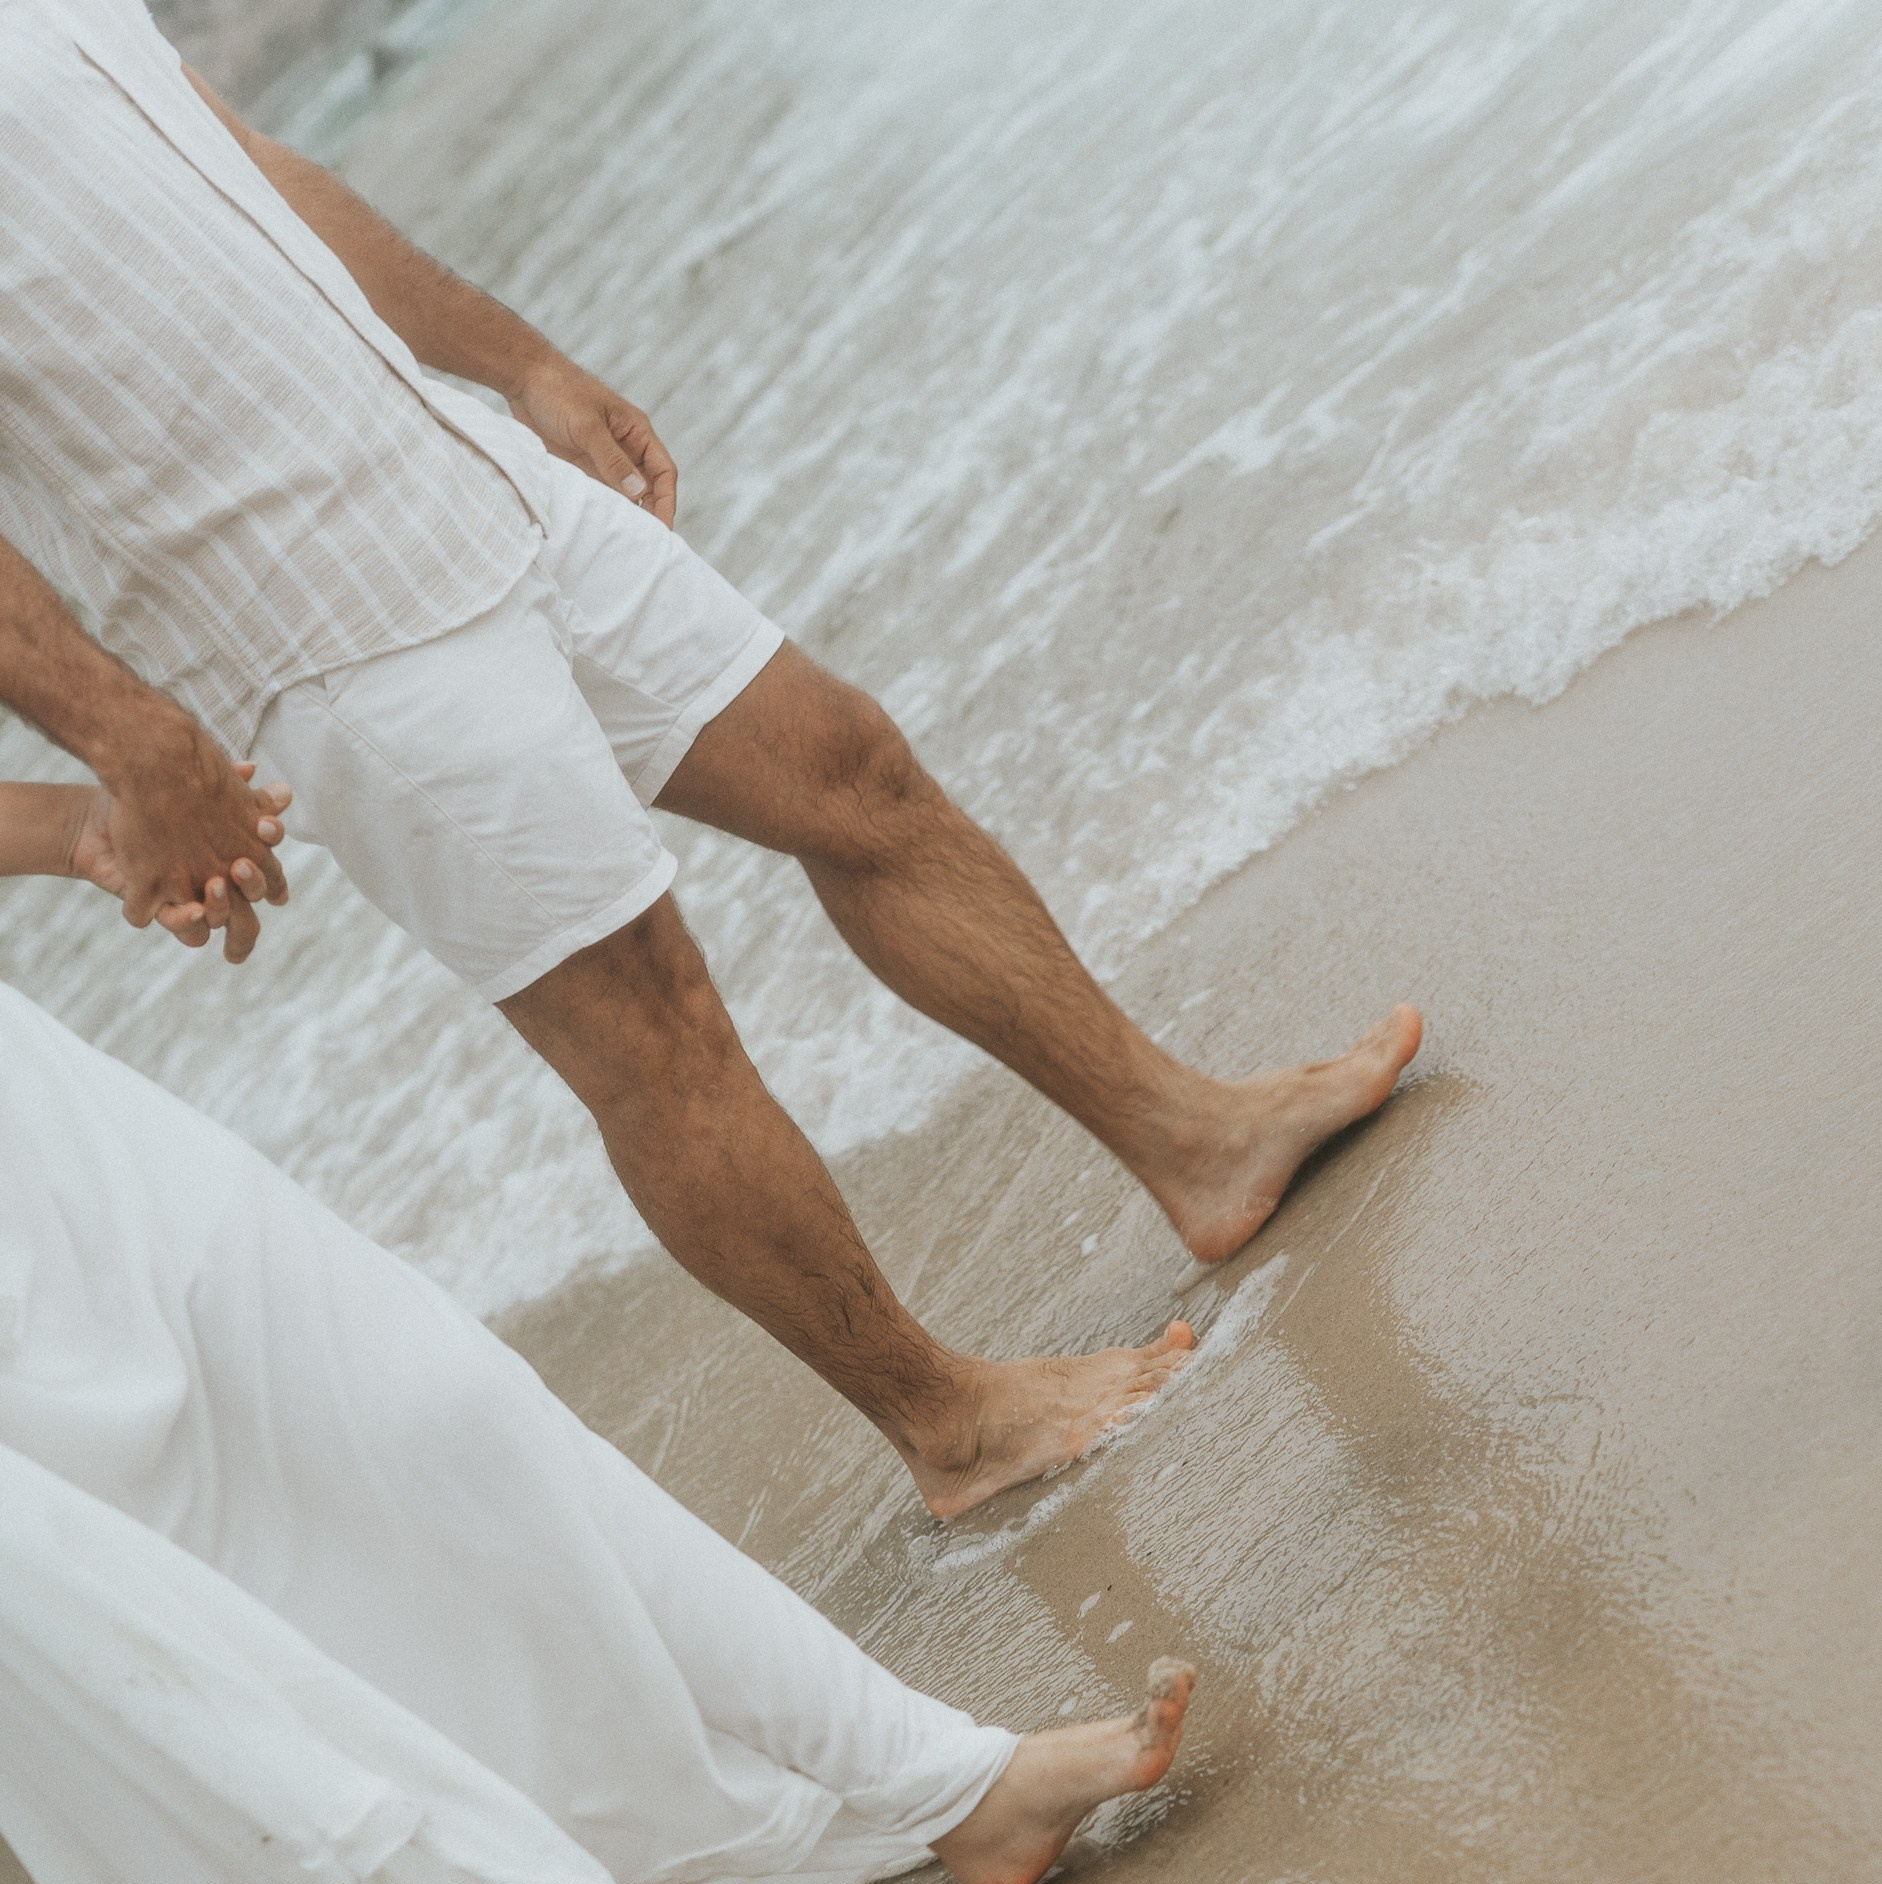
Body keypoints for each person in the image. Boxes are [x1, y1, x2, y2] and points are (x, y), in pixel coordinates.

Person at [0, 0, 1420, 1520]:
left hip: (460, 480)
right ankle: (951, 1425)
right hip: (317, 637)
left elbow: (261, 172)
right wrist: (129, 734)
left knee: (849, 772)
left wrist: (519, 366)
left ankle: (1193, 1139)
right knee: (650, 1023)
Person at [0, 774, 1196, 1884]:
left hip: (35, 1129)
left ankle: (949, 1780)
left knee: (438, 1420)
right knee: (202, 1681)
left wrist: (72, 829)